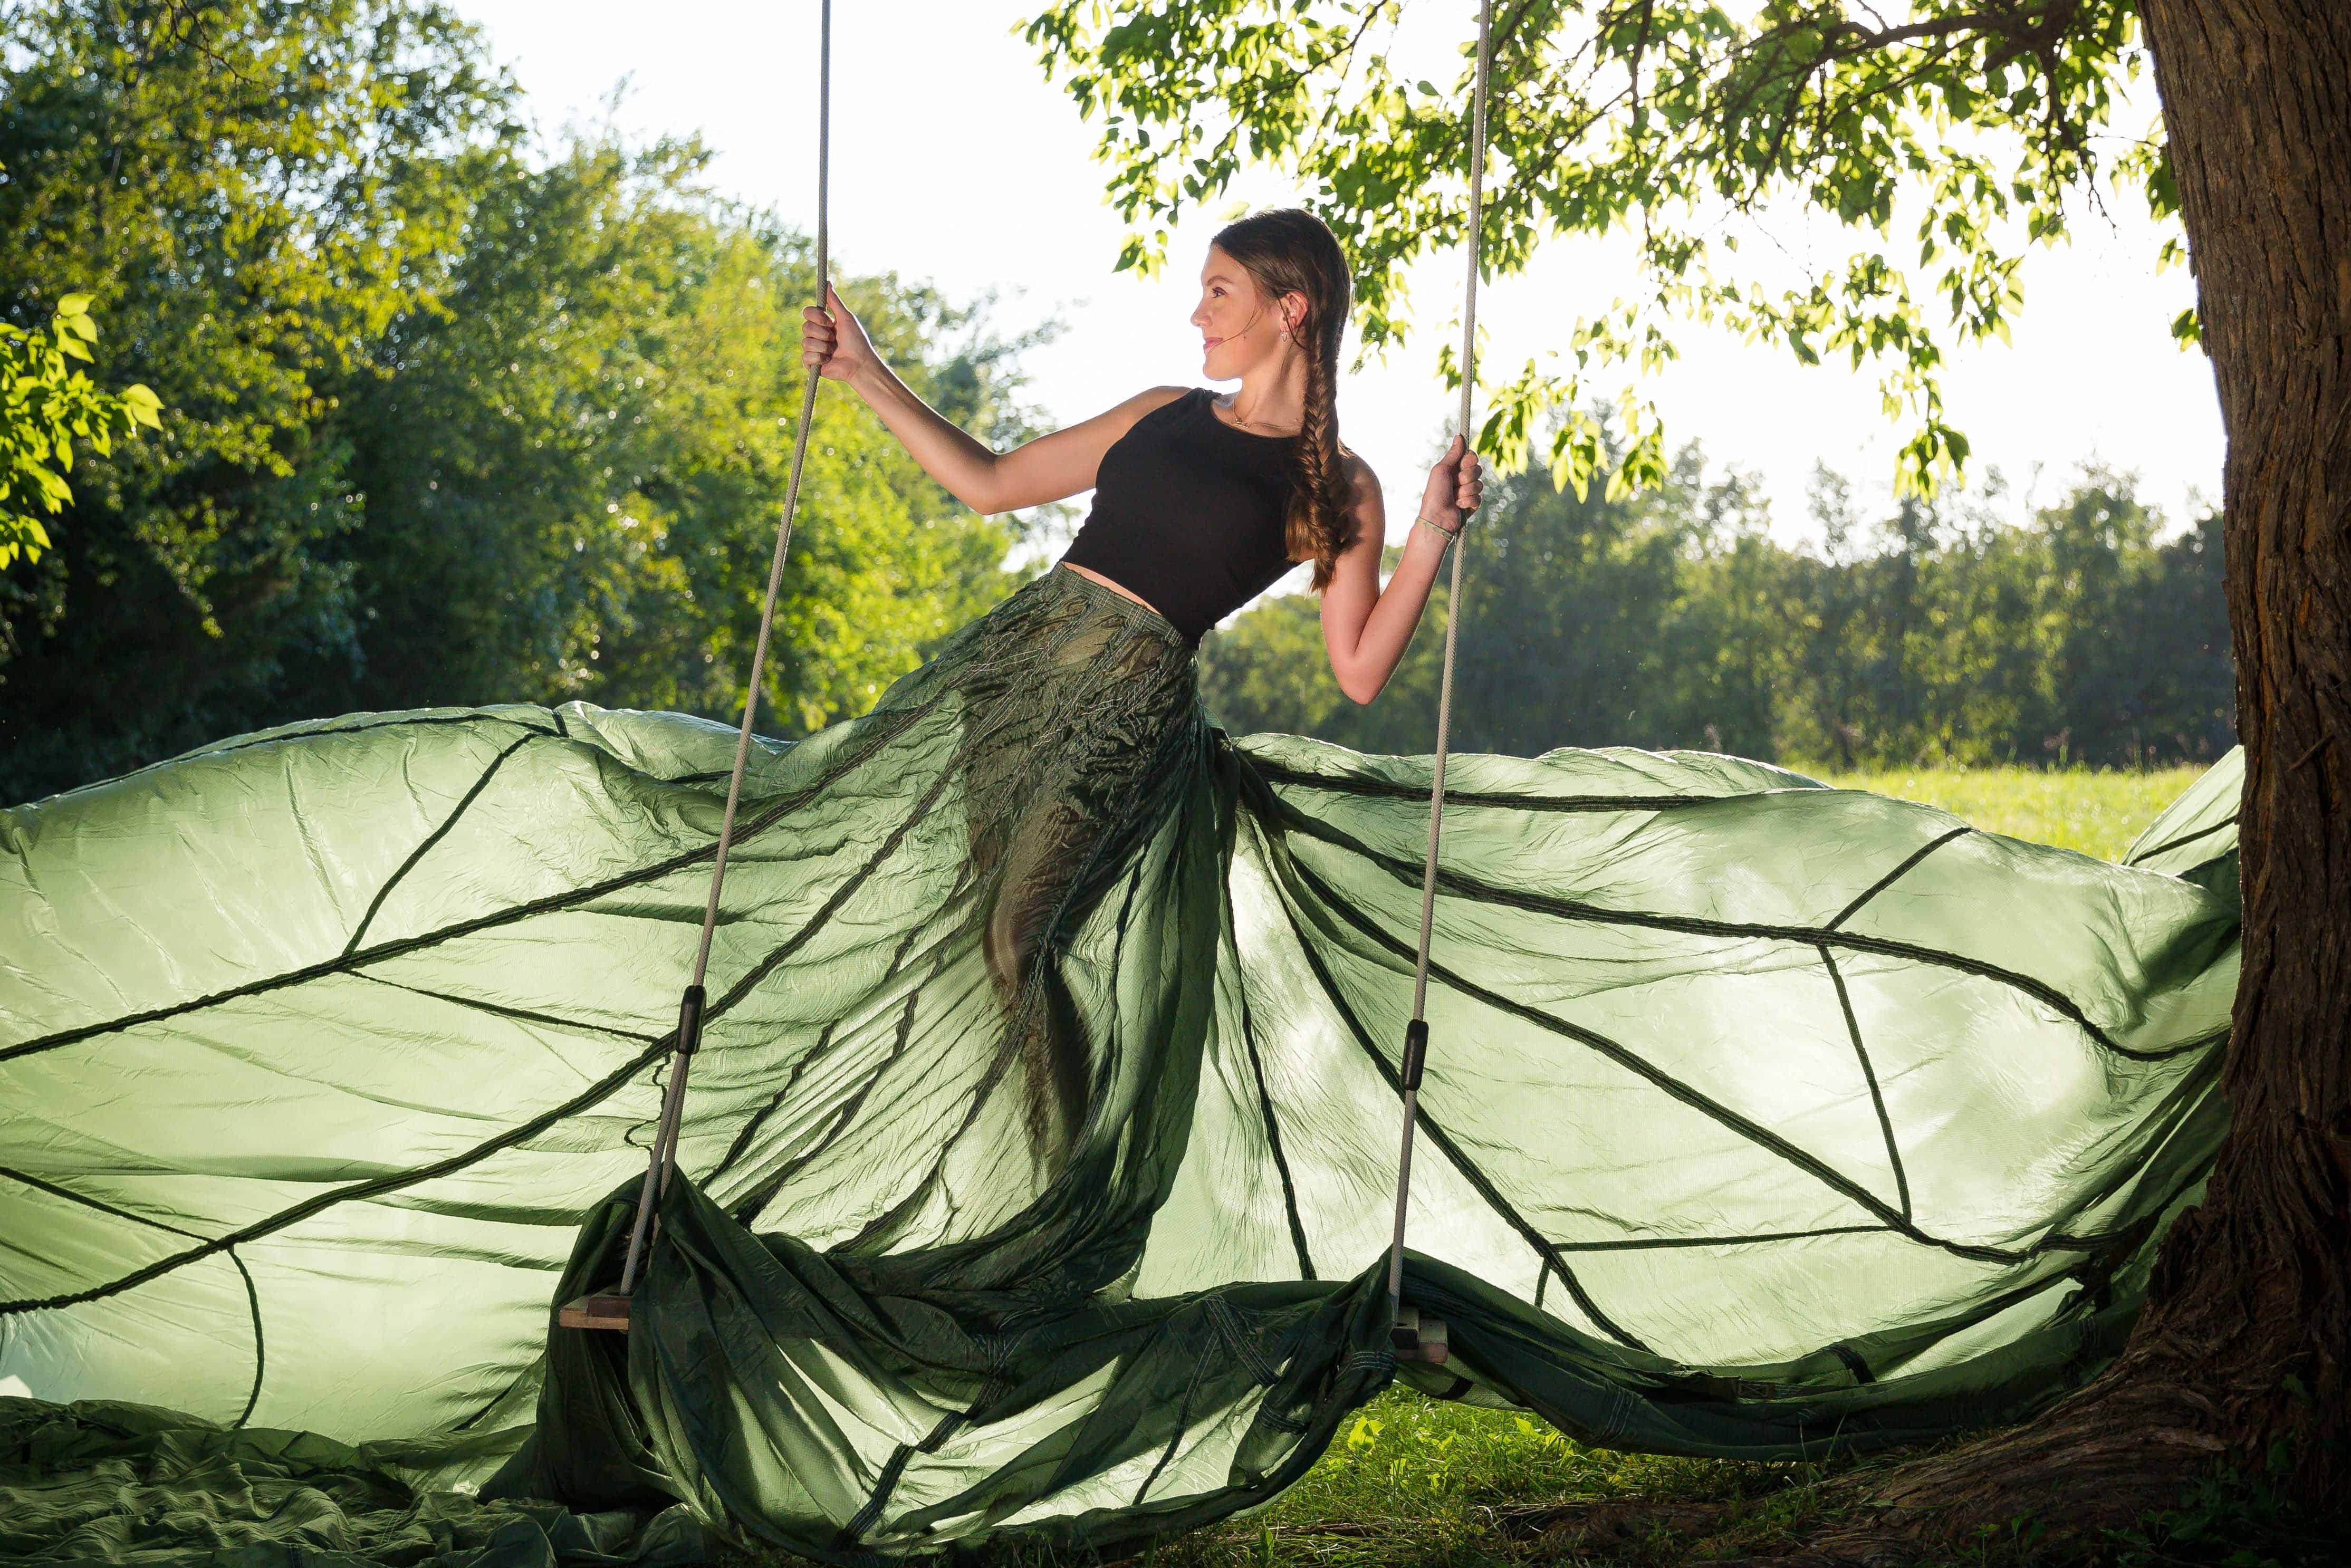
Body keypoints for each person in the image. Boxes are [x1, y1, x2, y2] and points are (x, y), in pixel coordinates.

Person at [798, 207, 1481, 1168]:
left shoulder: (1335, 484)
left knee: (1015, 935)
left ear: (1291, 309)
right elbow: (990, 482)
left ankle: (1062, 1211)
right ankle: (1009, 1185)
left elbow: (1359, 671)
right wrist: (864, 373)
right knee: (963, 939)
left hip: (1126, 713)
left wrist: (1432, 536)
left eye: (1218, 292)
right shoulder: (1161, 410)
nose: (1196, 315)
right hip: (1011, 680)